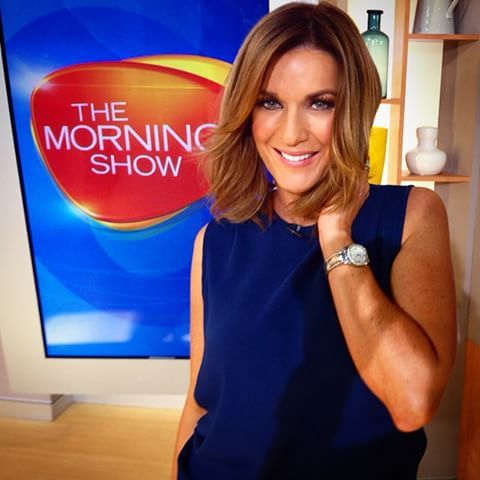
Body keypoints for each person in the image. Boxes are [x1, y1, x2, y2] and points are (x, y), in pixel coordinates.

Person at [171, 2, 456, 478]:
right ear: (246, 112)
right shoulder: (214, 241)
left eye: (320, 103)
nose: (291, 133)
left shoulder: (411, 216)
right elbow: (200, 403)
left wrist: (336, 236)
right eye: (270, 102)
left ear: (352, 110)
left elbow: (413, 403)